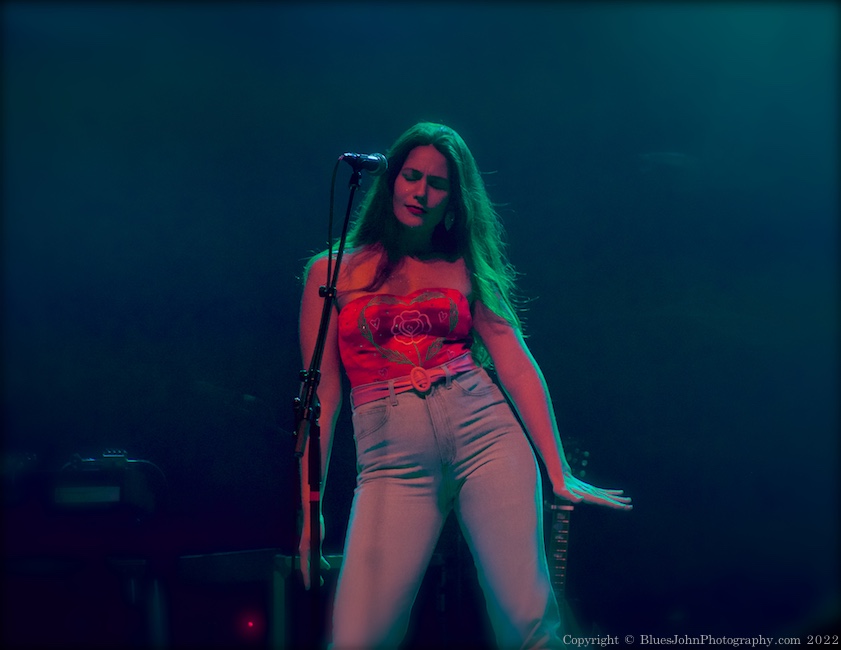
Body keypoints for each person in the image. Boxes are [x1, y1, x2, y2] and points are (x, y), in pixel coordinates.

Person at [298, 122, 631, 649]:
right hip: (392, 463)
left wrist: (558, 469)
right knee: (358, 639)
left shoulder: (463, 264)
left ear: (453, 199)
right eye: (411, 176)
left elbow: (516, 363)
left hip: (488, 439)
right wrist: (310, 516)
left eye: (436, 184)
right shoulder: (330, 272)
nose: (420, 192)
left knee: (528, 622)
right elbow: (323, 401)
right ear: (390, 180)